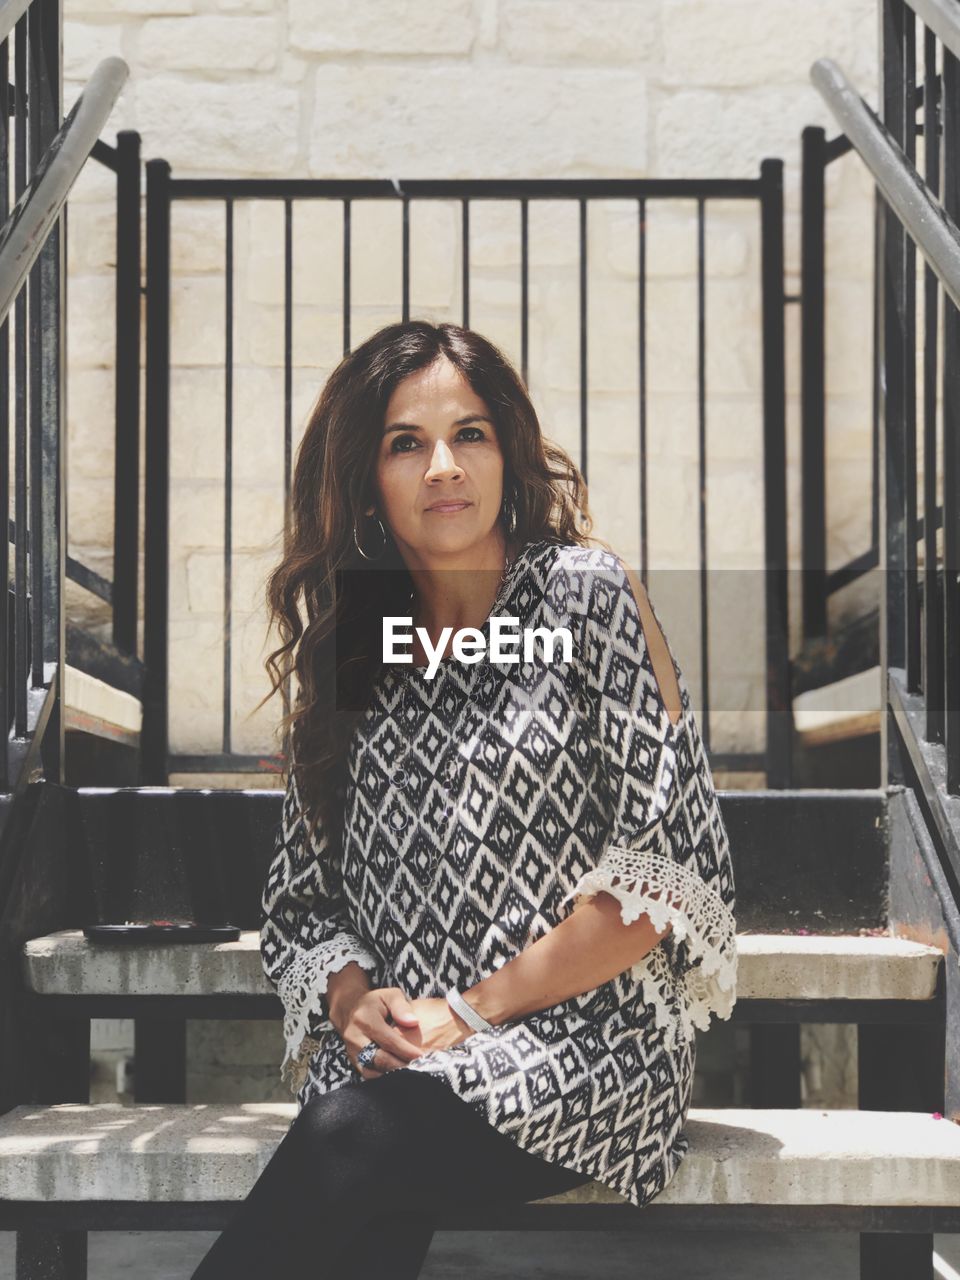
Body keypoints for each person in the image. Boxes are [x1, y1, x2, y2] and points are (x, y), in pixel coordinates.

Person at [189, 319, 738, 1279]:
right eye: (407, 442)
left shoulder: (584, 597)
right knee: (360, 1175)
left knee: (354, 1141)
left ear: (507, 452)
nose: (444, 466)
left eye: (469, 434)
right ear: (368, 478)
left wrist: (469, 1012)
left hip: (586, 1045)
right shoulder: (350, 649)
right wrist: (359, 1004)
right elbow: (301, 905)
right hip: (406, 1059)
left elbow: (666, 874)